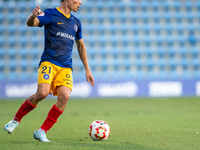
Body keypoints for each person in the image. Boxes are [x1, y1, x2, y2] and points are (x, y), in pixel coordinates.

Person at [4, 0, 94, 142]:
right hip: (49, 62)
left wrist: (87, 69)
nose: (80, 2)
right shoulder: (51, 14)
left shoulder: (76, 23)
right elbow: (31, 23)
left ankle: (42, 131)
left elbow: (81, 46)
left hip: (65, 66)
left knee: (64, 96)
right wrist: (33, 15)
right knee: (42, 93)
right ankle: (15, 121)